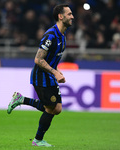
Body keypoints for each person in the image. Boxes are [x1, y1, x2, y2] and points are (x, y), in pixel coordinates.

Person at [7, 4, 74, 147]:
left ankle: (21, 99)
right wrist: (55, 71)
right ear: (60, 16)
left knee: (57, 108)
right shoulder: (50, 35)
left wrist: (56, 70)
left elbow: (51, 58)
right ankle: (37, 140)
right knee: (51, 108)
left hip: (49, 75)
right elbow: (38, 59)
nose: (72, 16)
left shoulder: (62, 35)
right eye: (69, 14)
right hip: (41, 77)